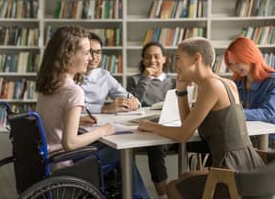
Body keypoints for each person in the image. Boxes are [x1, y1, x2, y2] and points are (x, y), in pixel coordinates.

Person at [137, 37, 265, 198]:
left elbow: (183, 135)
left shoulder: (211, 86)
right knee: (184, 177)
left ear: (196, 58)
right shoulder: (224, 83)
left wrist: (150, 125)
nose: (175, 64)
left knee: (172, 188)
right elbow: (187, 125)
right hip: (248, 165)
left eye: (178, 58)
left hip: (232, 173)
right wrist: (181, 90)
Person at [35, 26, 149, 198]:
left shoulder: (49, 84)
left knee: (107, 147)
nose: (90, 58)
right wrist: (104, 130)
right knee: (122, 152)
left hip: (45, 158)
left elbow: (50, 118)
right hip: (62, 163)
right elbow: (70, 144)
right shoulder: (73, 91)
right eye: (87, 52)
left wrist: (77, 121)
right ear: (69, 54)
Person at [127, 41, 176, 199]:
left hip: (170, 127)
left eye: (156, 56)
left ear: (164, 59)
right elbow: (133, 104)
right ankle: (162, 195)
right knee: (155, 147)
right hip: (146, 128)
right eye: (148, 57)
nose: (152, 61)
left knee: (160, 146)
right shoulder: (134, 80)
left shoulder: (173, 81)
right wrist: (145, 79)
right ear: (143, 60)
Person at [224, 36, 275, 148]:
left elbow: (268, 113)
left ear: (250, 55)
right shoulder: (237, 83)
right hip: (246, 139)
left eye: (238, 61)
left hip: (269, 141)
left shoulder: (272, 81)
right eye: (232, 64)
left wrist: (235, 113)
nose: (235, 67)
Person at [81, 32, 140, 114]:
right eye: (90, 52)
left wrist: (134, 103)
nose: (94, 57)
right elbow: (72, 106)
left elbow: (126, 96)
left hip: (98, 121)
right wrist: (104, 108)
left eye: (98, 52)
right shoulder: (70, 75)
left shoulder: (104, 75)